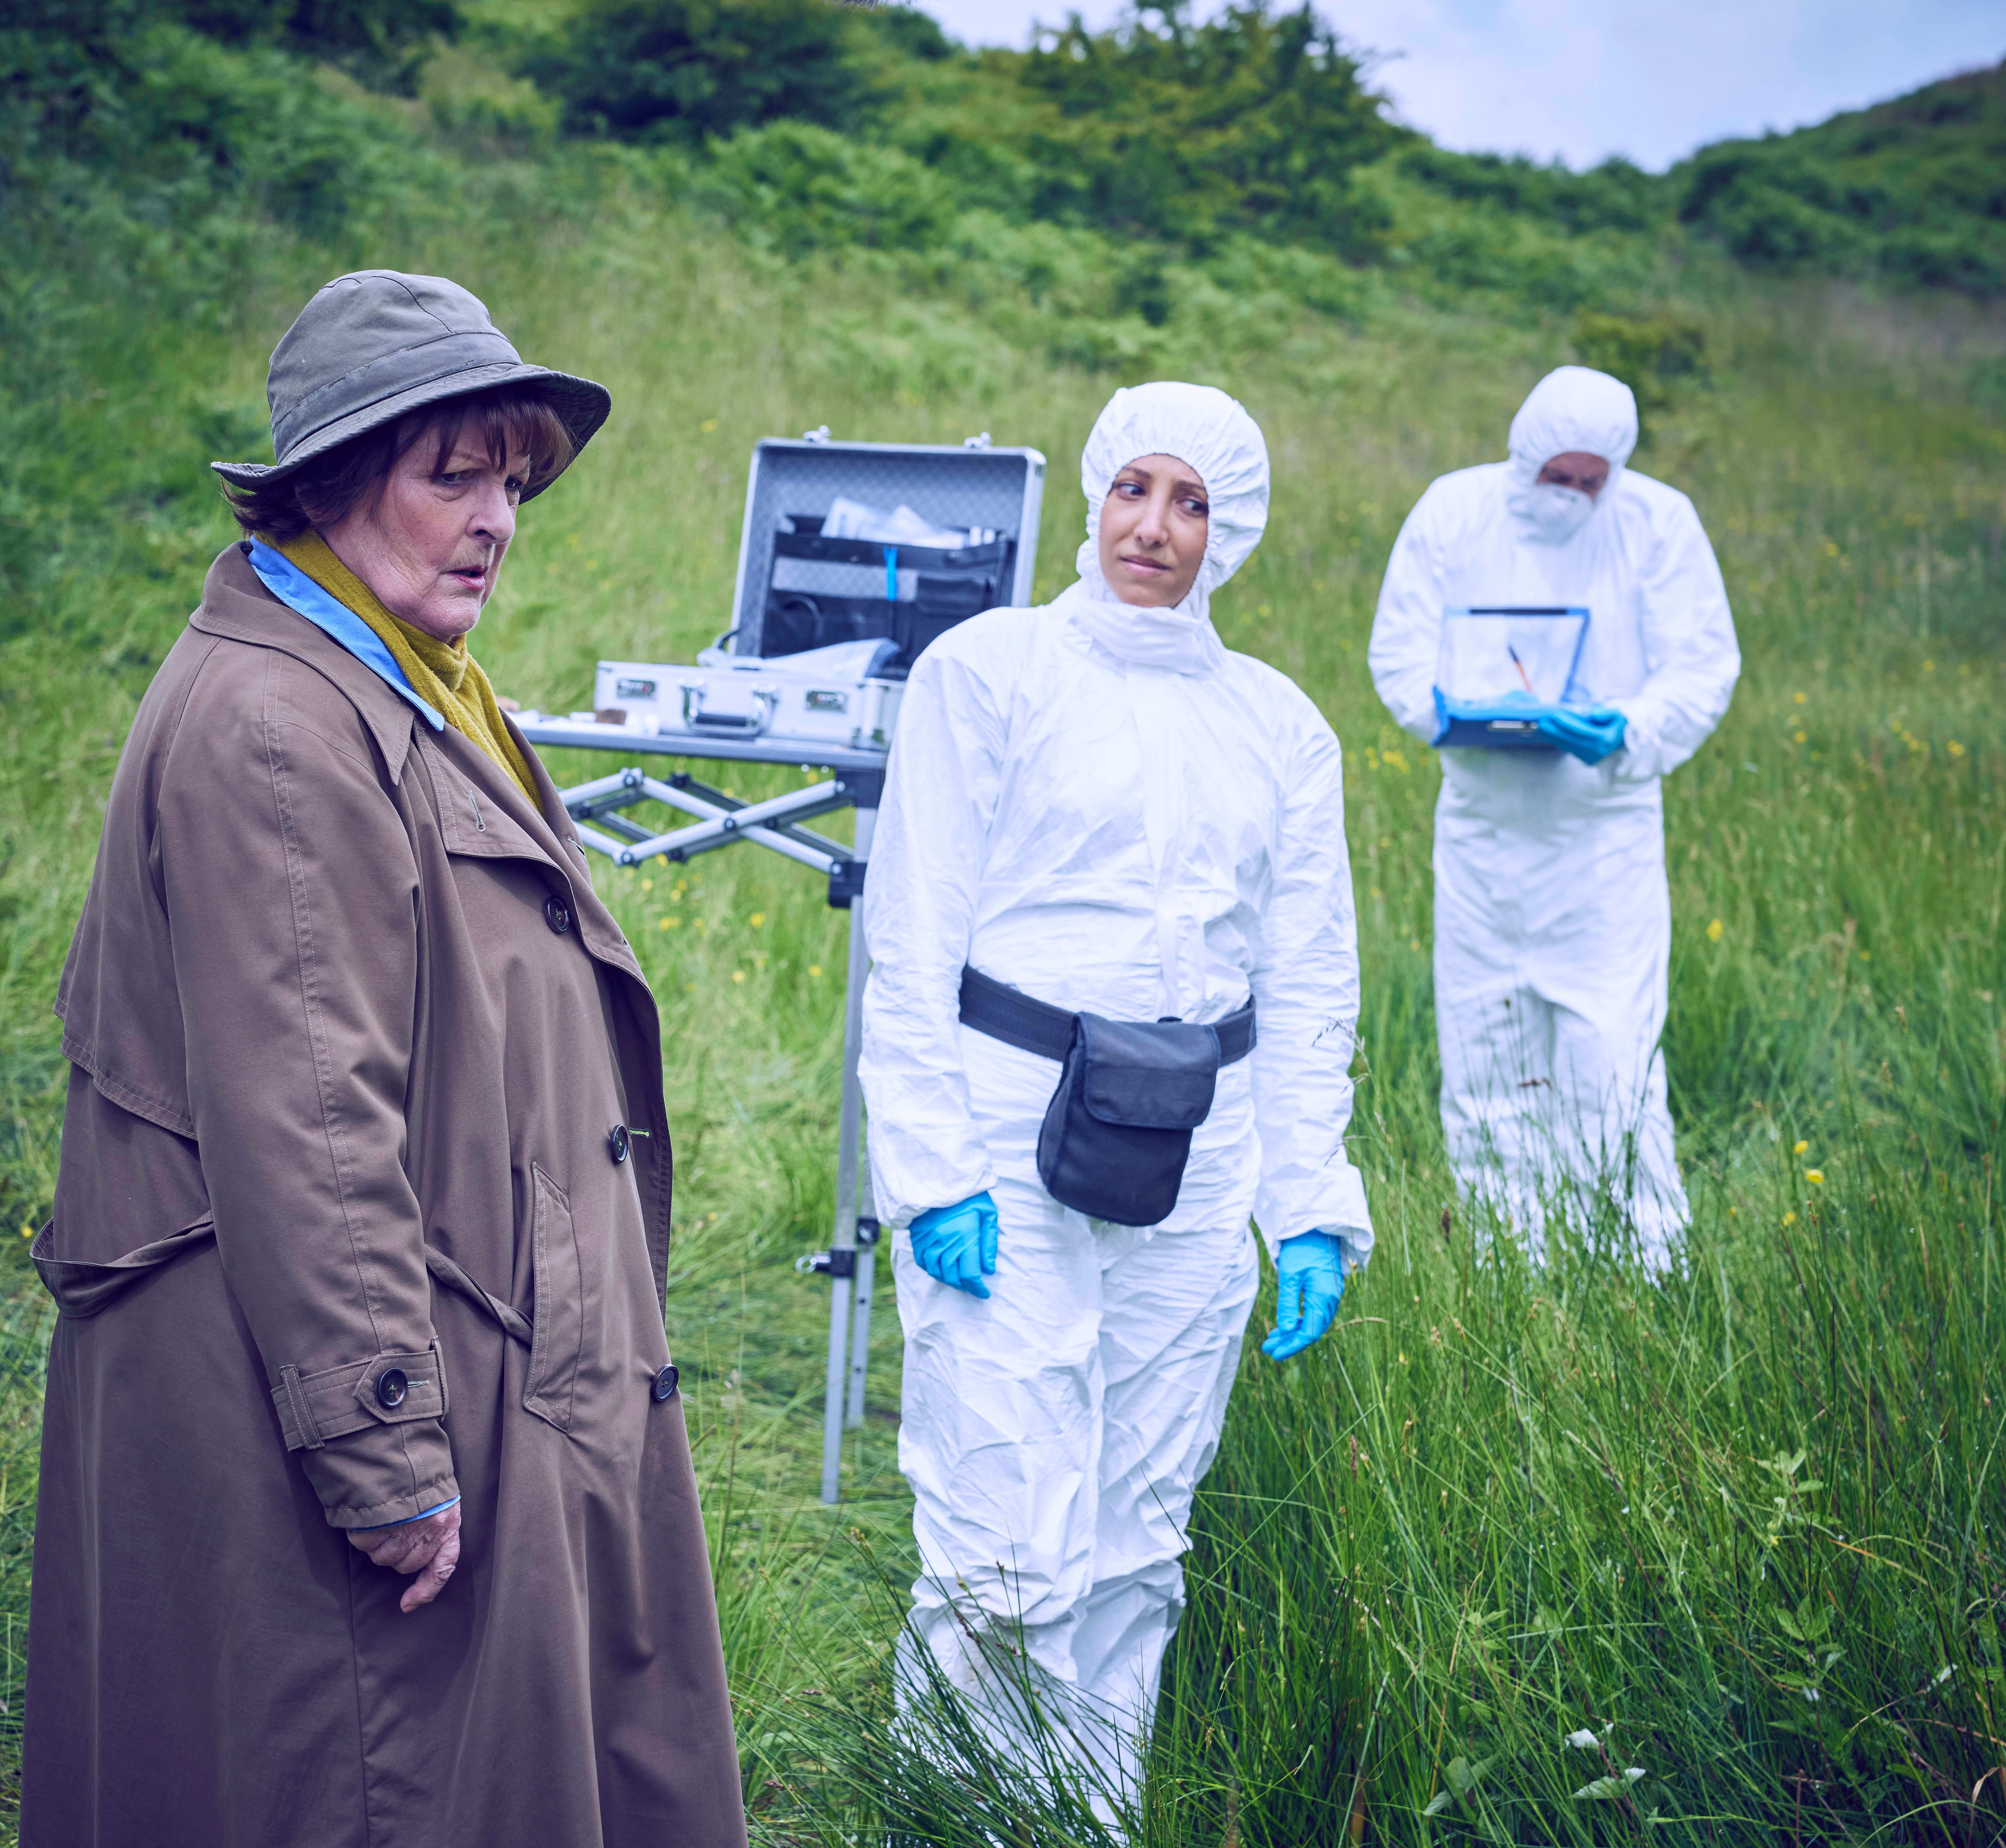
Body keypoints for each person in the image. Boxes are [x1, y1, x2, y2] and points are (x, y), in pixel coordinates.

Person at [24, 271, 747, 1847]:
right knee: (362, 1788)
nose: (497, 516)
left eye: (515, 476)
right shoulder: (282, 726)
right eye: (455, 474)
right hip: (328, 1399)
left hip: (467, 1341)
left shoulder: (406, 681)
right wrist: (381, 1440)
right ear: (338, 484)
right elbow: (311, 1121)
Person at [858, 381, 1373, 1809]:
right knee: (1007, 1528)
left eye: (1194, 502)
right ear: (1094, 494)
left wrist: (1310, 1204)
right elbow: (910, 937)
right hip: (1005, 1130)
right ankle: (950, 1813)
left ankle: (1085, 1814)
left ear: (1234, 531)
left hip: (1199, 1155)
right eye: (1136, 488)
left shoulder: (1280, 727)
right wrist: (934, 1170)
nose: (1157, 526)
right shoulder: (991, 671)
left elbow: (1309, 982)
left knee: (1140, 1533)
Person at [1368, 364, 1740, 1267]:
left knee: (1608, 1058)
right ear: (1522, 454)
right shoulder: (1453, 513)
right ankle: (1508, 1263)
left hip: (1599, 839)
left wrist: (1626, 730)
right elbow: (1398, 650)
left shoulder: (1658, 523)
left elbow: (1703, 668)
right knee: (1487, 1048)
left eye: (1590, 479)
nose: (1571, 494)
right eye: (1554, 475)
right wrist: (1455, 715)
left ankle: (1645, 1268)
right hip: (1483, 834)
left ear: (1613, 471)